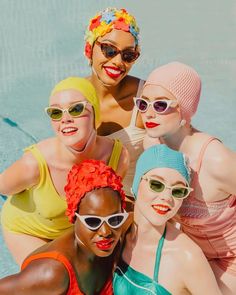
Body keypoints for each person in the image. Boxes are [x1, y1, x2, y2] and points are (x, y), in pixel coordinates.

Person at [0, 76, 129, 266]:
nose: (65, 119)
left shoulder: (116, 158)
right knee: (48, 281)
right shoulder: (34, 164)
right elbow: (3, 187)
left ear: (95, 113)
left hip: (74, 233)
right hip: (29, 231)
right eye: (55, 113)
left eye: (76, 109)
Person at [135, 61, 236, 295]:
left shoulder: (215, 160)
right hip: (195, 255)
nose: (148, 113)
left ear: (184, 109)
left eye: (160, 105)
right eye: (143, 103)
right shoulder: (152, 145)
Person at [0, 159, 132, 295]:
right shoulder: (52, 273)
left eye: (114, 219)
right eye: (93, 221)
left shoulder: (121, 232)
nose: (106, 231)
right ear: (74, 217)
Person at [113, 144, 221, 295]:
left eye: (178, 191)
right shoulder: (116, 233)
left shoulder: (187, 257)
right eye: (156, 184)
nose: (166, 197)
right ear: (136, 185)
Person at [84, 7, 146, 198]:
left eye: (128, 55)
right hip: (89, 208)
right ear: (89, 48)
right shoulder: (73, 96)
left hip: (140, 205)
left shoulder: (145, 99)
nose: (118, 62)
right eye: (109, 50)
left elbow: (185, 138)